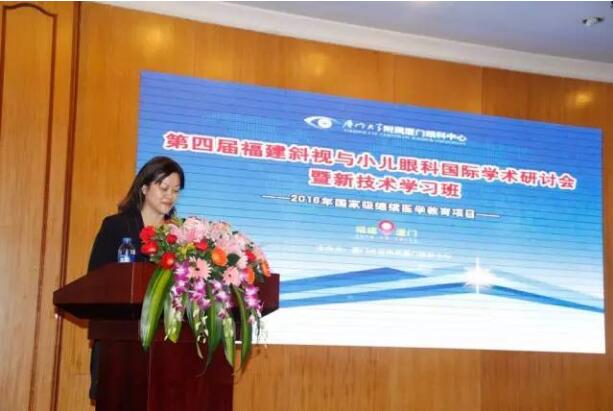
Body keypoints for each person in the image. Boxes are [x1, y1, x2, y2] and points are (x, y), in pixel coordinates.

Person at [87, 156, 185, 400]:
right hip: (119, 339)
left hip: (167, 342)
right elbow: (95, 280)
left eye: (175, 191)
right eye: (164, 188)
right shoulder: (116, 226)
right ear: (144, 187)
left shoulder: (181, 236)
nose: (170, 196)